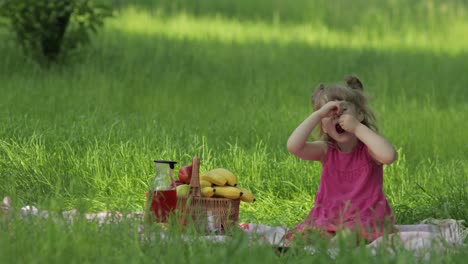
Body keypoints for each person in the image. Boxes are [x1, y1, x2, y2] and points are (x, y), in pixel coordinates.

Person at [285, 75, 397, 244]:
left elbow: (389, 156)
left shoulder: (369, 150)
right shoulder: (326, 150)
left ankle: (335, 249)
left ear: (359, 114)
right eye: (330, 113)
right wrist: (318, 114)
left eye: (344, 110)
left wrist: (358, 128)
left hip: (365, 216)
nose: (337, 116)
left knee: (347, 237)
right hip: (330, 216)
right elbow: (294, 146)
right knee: (303, 237)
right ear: (322, 124)